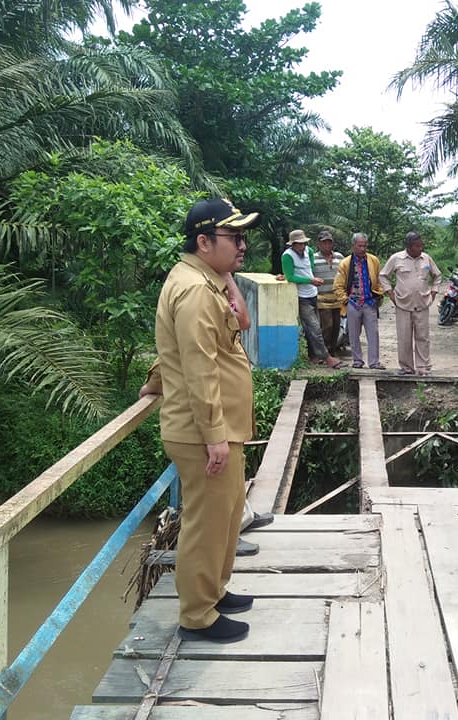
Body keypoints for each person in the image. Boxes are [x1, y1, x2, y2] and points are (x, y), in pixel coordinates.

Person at [152, 197, 263, 643]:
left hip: (218, 429)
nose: (242, 245)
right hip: (204, 434)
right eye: (233, 237)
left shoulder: (205, 280)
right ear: (203, 242)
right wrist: (214, 435)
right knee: (207, 523)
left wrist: (226, 271)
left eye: (243, 237)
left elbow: (196, 344)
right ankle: (197, 614)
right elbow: (198, 366)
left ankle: (213, 591)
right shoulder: (196, 290)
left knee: (227, 514)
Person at [380, 231, 442, 376]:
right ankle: (406, 368)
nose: (420, 248)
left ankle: (423, 367)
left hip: (422, 303)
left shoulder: (426, 258)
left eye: (421, 245)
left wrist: (434, 292)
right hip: (403, 303)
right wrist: (390, 293)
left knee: (423, 337)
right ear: (409, 247)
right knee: (404, 338)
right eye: (417, 246)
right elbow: (383, 276)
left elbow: (437, 275)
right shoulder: (396, 258)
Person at [281, 229, 344, 369]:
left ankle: (313, 356)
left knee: (311, 328)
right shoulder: (287, 256)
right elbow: (290, 277)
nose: (302, 246)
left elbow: (309, 270)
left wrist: (311, 280)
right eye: (299, 244)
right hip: (301, 296)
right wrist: (310, 280)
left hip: (313, 293)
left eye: (303, 243)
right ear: (293, 244)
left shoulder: (308, 252)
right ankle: (326, 357)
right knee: (315, 328)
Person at [333, 232, 385, 369]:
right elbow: (338, 285)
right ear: (353, 246)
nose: (363, 248)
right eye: (360, 246)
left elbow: (379, 280)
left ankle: (374, 362)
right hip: (353, 303)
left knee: (373, 333)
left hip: (369, 302)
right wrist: (345, 300)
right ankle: (357, 361)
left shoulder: (373, 260)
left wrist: (379, 294)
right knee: (353, 334)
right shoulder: (345, 263)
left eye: (365, 246)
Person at [312, 230, 344, 356]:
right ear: (319, 244)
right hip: (322, 298)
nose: (327, 245)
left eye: (329, 242)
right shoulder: (313, 258)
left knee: (336, 326)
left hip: (337, 298)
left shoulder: (339, 257)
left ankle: (332, 352)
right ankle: (323, 353)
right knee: (327, 325)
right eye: (324, 243)